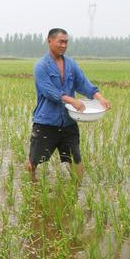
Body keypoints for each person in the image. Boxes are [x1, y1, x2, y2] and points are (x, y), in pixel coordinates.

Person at [25, 28, 110, 181]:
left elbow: (83, 83)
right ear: (49, 41)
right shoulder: (41, 66)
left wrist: (99, 97)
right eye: (60, 41)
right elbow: (49, 92)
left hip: (68, 121)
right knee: (34, 160)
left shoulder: (71, 64)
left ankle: (77, 189)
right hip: (46, 121)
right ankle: (33, 187)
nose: (64, 45)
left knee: (75, 158)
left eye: (66, 42)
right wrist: (72, 100)